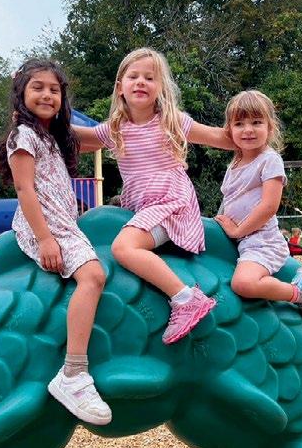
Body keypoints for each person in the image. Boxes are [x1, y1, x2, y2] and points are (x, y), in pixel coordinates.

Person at [73, 47, 233, 345]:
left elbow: (218, 137)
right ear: (120, 87)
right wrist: (44, 122)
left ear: (161, 87)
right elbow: (84, 139)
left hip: (171, 204)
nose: (141, 82)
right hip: (144, 207)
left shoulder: (171, 121)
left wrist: (249, 130)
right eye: (133, 76)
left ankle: (185, 298)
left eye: (149, 77)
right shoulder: (116, 128)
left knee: (123, 248)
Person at [0, 59, 111, 426]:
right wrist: (45, 238)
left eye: (54, 90)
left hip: (62, 221)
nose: (47, 95)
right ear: (21, 93)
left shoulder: (52, 135)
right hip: (47, 224)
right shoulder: (24, 135)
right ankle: (73, 372)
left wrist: (137, 117)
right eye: (38, 87)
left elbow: (102, 137)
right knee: (93, 276)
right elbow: (24, 188)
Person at [213, 91, 302, 317]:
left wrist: (237, 231)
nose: (248, 129)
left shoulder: (269, 159)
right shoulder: (234, 163)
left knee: (243, 284)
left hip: (262, 241)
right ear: (229, 130)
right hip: (241, 240)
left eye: (256, 122)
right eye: (239, 124)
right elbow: (229, 199)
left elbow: (268, 207)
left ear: (270, 127)